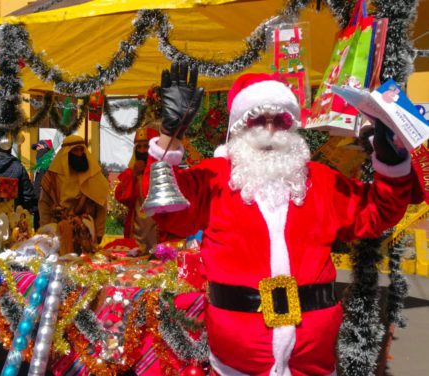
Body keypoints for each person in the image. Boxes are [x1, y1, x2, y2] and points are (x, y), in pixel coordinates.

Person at [143, 63, 421, 375]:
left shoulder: (319, 180)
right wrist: (169, 135)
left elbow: (377, 213)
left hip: (311, 356)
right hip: (239, 355)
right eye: (258, 119)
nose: (271, 128)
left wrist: (390, 160)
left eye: (280, 120)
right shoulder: (215, 177)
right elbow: (167, 209)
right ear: (239, 127)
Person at [38, 134, 109, 252]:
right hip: (58, 233)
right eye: (75, 150)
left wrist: (99, 232)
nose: (79, 153)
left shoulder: (94, 175)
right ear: (66, 153)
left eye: (82, 149)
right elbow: (44, 204)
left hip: (86, 234)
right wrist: (46, 231)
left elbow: (101, 205)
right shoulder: (52, 177)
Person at [115, 127, 160, 251]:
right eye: (139, 147)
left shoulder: (161, 170)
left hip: (158, 224)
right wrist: (133, 175)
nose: (142, 150)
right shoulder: (131, 172)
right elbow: (121, 196)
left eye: (146, 146)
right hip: (136, 225)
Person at [31, 139, 54, 229]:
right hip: (40, 199)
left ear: (46, 148)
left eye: (39, 147)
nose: (37, 149)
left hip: (43, 199)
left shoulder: (46, 161)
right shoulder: (43, 164)